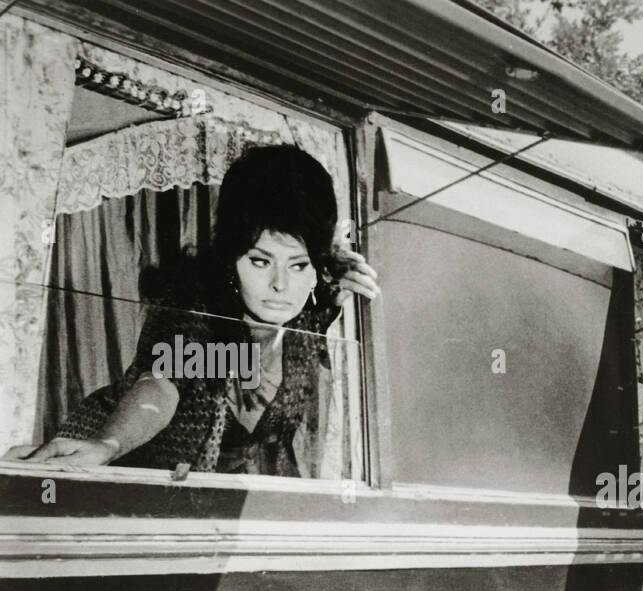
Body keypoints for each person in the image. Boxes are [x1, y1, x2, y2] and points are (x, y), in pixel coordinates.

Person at [4, 144, 379, 475]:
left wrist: (336, 277)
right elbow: (162, 382)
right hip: (123, 471)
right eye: (260, 262)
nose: (281, 285)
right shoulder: (196, 304)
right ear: (232, 256)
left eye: (297, 264)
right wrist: (109, 445)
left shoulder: (311, 306)